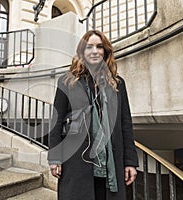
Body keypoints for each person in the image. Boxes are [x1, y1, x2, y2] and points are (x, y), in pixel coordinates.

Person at [48, 30, 139, 200]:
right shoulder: (67, 81)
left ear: (105, 51)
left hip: (110, 162)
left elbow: (125, 124)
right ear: (82, 51)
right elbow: (56, 121)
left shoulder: (117, 84)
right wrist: (54, 157)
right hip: (76, 161)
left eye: (99, 47)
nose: (94, 51)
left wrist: (130, 162)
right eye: (89, 47)